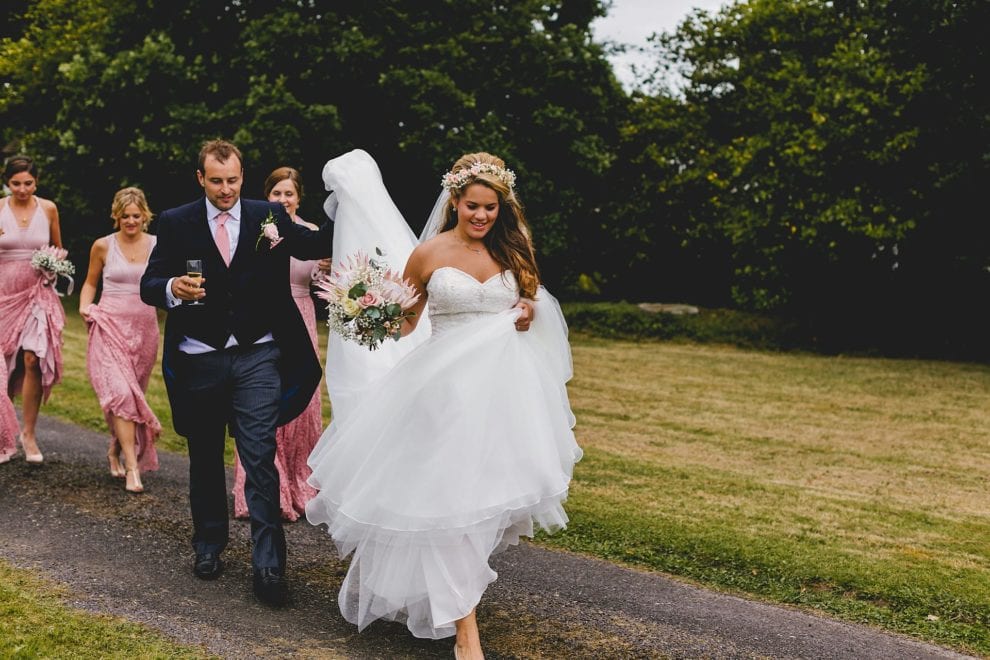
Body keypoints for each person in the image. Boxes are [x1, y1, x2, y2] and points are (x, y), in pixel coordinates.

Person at [306, 150, 581, 659]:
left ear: (503, 208)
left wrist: (526, 308)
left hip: (503, 398)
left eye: (491, 209)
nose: (481, 217)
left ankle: (453, 597)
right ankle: (466, 633)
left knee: (479, 509)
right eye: (473, 206)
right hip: (442, 394)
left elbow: (537, 304)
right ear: (455, 201)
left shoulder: (514, 251)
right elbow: (408, 322)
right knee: (449, 507)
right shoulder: (428, 254)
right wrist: (373, 314)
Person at [139, 139, 331, 606]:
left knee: (259, 455)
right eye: (216, 181)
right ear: (200, 178)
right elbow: (149, 284)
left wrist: (348, 199)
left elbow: (319, 241)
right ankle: (208, 545)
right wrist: (171, 287)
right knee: (204, 456)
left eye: (233, 180)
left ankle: (268, 568)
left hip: (258, 355)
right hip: (199, 356)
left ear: (243, 176)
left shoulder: (271, 215)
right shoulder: (175, 221)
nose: (226, 190)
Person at [231, 167, 325, 520]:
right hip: (265, 320)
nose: (283, 200)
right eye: (276, 193)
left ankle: (299, 485)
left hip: (302, 319)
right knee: (262, 402)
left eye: (289, 194)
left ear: (299, 197)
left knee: (302, 406)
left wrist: (327, 271)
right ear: (266, 196)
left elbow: (323, 282)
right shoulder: (255, 227)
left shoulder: (312, 233)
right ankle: (263, 489)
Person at [79, 187, 162, 493]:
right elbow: (89, 283)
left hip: (144, 331)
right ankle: (132, 467)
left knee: (131, 395)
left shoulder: (157, 245)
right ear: (116, 216)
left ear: (145, 216)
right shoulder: (102, 246)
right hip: (109, 326)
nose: (130, 221)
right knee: (120, 395)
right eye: (125, 216)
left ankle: (115, 448)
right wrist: (84, 306)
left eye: (136, 216)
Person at [0, 155, 65, 465]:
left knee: (32, 359)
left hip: (38, 294)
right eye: (16, 184)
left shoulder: (49, 208)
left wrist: (53, 267)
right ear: (7, 182)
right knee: (5, 367)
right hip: (4, 295)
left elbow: (58, 249)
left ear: (36, 182)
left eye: (28, 183)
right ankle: (3, 432)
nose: (22, 189)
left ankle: (28, 432)